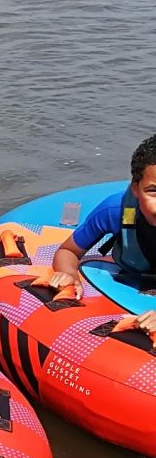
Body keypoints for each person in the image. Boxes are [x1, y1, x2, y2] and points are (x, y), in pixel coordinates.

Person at [50, 133, 156, 333]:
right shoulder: (116, 211)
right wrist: (69, 275)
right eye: (153, 191)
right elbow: (68, 251)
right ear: (135, 189)